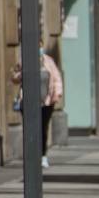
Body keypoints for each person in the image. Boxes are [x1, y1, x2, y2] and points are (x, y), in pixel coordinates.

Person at [11, 40, 64, 169]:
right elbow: (15, 79)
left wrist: (57, 94)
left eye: (40, 46)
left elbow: (57, 79)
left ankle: (43, 156)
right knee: (30, 129)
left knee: (42, 129)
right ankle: (31, 155)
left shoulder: (48, 61)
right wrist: (18, 73)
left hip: (46, 102)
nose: (38, 49)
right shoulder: (24, 61)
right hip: (28, 101)